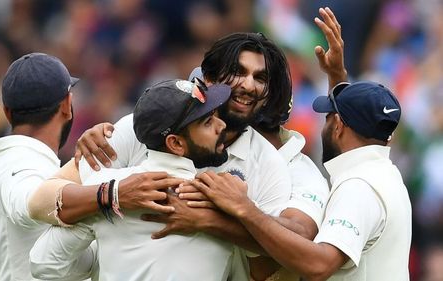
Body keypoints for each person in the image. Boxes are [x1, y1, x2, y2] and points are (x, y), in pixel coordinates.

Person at [72, 7, 346, 280]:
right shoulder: (147, 125)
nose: (248, 86)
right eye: (237, 73)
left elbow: (279, 257)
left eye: (260, 79)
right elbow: (51, 198)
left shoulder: (277, 164)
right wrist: (113, 193)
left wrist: (212, 220)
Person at [29, 79, 251, 280]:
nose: (221, 125)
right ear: (175, 144)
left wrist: (106, 248)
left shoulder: (108, 187)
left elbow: (44, 264)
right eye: (207, 122)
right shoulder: (229, 199)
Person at [193, 81, 412, 281]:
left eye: (327, 117)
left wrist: (245, 209)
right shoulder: (386, 175)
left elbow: (319, 265)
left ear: (337, 125)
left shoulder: (359, 186)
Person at [0, 53, 90, 280]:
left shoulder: (3, 167)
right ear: (67, 104)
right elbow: (28, 199)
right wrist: (110, 195)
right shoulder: (24, 165)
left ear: (7, 112)